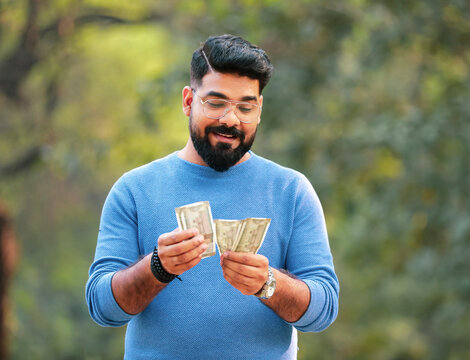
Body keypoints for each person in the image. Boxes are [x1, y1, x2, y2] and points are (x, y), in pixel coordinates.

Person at [86, 34, 339, 359]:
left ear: (259, 109)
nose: (230, 120)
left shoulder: (292, 191)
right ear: (189, 101)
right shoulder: (134, 190)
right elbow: (102, 308)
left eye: (245, 107)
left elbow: (324, 310)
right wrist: (157, 268)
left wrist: (268, 283)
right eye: (216, 103)